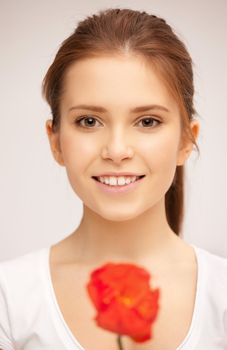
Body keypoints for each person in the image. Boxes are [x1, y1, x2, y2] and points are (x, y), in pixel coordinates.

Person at [0, 7, 227, 350]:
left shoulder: (221, 297)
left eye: (147, 121)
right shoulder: (10, 300)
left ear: (185, 140)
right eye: (89, 121)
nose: (117, 150)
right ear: (55, 141)